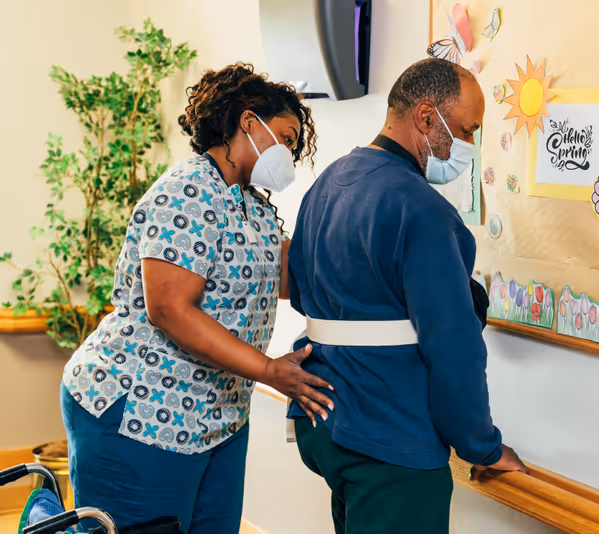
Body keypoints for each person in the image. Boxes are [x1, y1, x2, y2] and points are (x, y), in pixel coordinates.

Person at [60, 62, 334, 533]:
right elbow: (169, 309)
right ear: (249, 121)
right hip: (141, 412)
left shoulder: (249, 202)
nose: (288, 153)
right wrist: (269, 370)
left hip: (216, 416)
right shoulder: (187, 192)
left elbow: (281, 278)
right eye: (286, 139)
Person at [287, 58, 528, 534]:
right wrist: (483, 446)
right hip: (388, 438)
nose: (470, 147)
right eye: (465, 129)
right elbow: (454, 349)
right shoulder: (423, 211)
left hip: (325, 423)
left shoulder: (328, 182)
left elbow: (305, 293)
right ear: (425, 117)